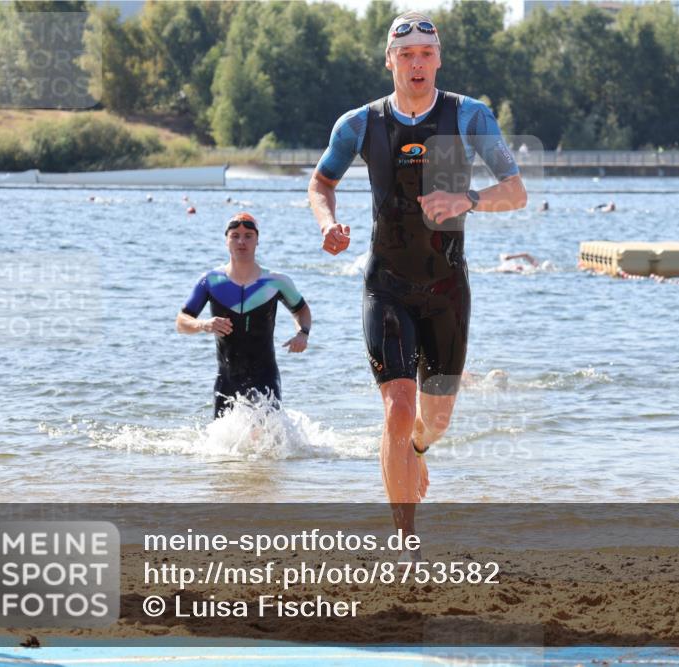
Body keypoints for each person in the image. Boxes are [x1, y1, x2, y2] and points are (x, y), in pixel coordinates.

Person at [307, 12, 526, 534]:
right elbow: (321, 183)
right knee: (397, 409)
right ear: (390, 61)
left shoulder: (468, 117)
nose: (417, 63)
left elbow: (516, 192)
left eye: (426, 54)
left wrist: (466, 199)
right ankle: (405, 540)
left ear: (439, 59)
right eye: (406, 55)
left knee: (434, 421)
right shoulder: (360, 123)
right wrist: (328, 223)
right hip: (386, 285)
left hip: (448, 289)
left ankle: (419, 450)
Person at [176, 212, 312, 418]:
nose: (241, 241)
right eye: (235, 235)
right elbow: (181, 321)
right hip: (226, 379)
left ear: (257, 240)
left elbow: (301, 310)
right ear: (226, 240)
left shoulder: (275, 282)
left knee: (272, 443)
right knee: (223, 448)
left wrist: (302, 333)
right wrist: (204, 324)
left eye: (248, 235)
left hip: (265, 376)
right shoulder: (210, 281)